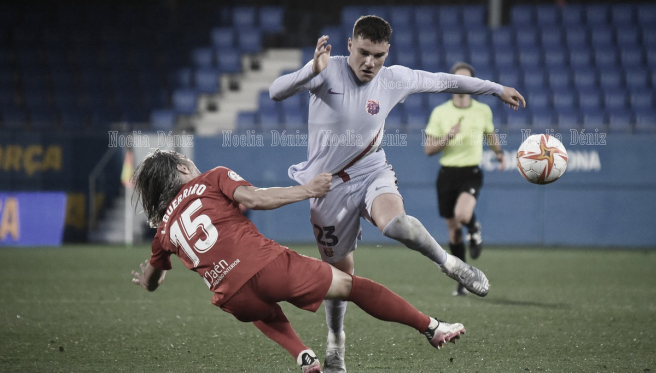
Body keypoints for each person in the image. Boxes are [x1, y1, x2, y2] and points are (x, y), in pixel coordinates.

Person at [269, 15, 525, 372]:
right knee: (340, 278)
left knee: (397, 224)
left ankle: (450, 264)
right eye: (363, 53)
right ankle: (336, 342)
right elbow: (275, 91)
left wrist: (497, 89)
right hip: (327, 186)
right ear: (350, 46)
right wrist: (310, 69)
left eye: (378, 55)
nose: (370, 62)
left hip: (370, 169)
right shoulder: (326, 70)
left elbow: (444, 80)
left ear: (387, 51)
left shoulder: (393, 79)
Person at [130, 149, 469, 373]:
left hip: (232, 298)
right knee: (352, 287)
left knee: (260, 308)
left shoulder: (164, 231)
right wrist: (307, 190)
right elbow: (255, 199)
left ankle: (302, 355)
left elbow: (153, 281)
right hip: (266, 266)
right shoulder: (211, 178)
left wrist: (146, 275)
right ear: (180, 168)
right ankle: (432, 328)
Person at [424, 62, 506, 296]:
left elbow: (490, 134)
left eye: (467, 80)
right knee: (453, 232)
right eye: (458, 80)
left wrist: (499, 154)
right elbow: (428, 149)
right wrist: (447, 137)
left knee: (462, 215)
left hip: (470, 172)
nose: (462, 84)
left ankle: (474, 226)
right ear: (452, 83)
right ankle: (463, 279)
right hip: (447, 174)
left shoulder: (482, 110)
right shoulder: (440, 112)